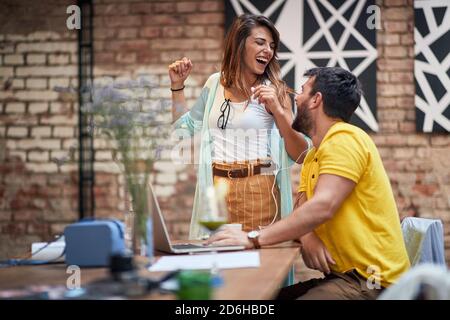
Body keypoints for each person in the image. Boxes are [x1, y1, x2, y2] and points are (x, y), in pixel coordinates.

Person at [207, 67, 411, 300]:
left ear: (316, 100)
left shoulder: (345, 139)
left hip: (374, 283)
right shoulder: (316, 153)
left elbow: (323, 205)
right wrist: (308, 234)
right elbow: (302, 211)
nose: (296, 97)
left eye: (303, 91)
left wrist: (253, 239)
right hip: (345, 278)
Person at [168, 14, 311, 242]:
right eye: (260, 42)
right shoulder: (214, 83)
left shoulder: (275, 90)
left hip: (259, 191)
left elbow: (302, 153)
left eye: (272, 46)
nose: (268, 51)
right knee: (219, 267)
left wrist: (278, 111)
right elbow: (184, 130)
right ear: (240, 43)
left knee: (261, 269)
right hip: (217, 191)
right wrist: (177, 87)